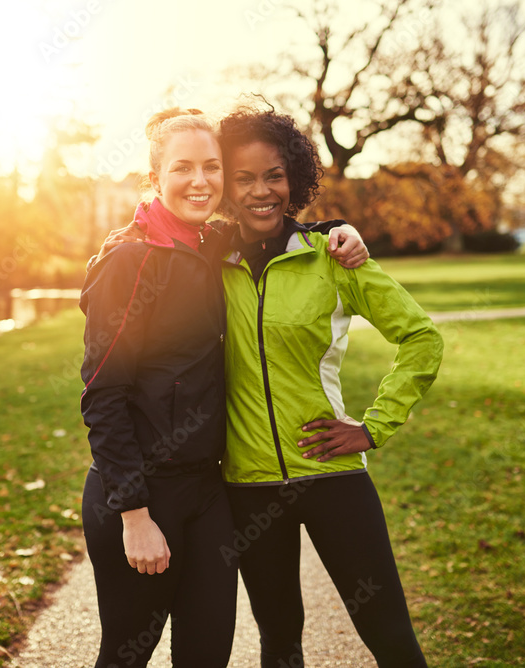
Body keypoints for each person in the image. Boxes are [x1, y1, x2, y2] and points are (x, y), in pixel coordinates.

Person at [79, 108, 365, 667]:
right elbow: (103, 394)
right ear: (156, 175)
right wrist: (133, 515)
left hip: (207, 494)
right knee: (125, 654)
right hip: (140, 496)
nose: (201, 181)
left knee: (208, 651)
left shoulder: (214, 244)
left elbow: (280, 231)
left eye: (212, 167)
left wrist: (339, 233)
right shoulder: (130, 260)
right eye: (183, 167)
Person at [216, 106, 443, 668]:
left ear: (294, 177)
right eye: (242, 178)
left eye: (273, 174)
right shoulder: (206, 261)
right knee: (279, 642)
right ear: (223, 184)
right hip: (247, 485)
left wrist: (373, 427)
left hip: (332, 477)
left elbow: (421, 338)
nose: (260, 190)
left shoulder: (334, 256)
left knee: (389, 633)